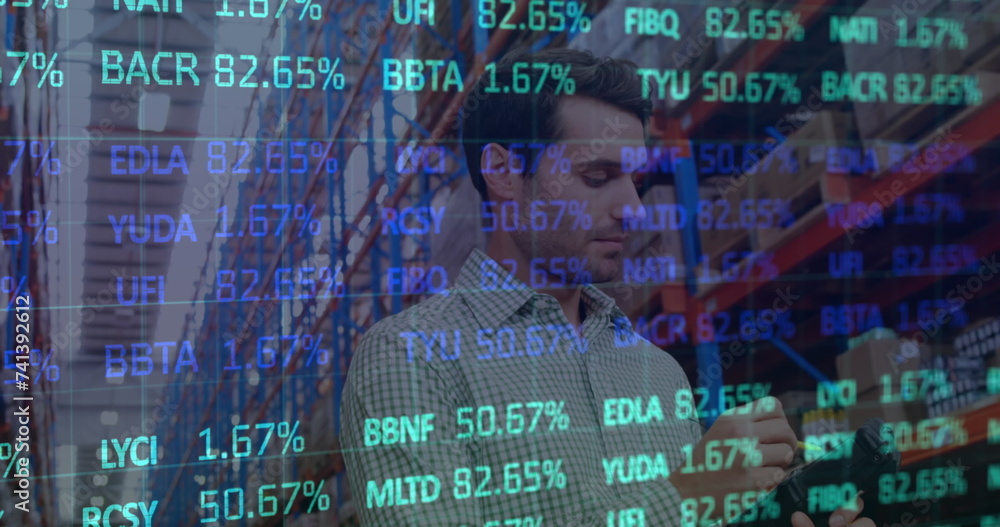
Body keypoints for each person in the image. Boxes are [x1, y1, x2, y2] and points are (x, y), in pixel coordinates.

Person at [340, 47, 874, 527]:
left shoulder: (656, 372)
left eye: (636, 182)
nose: (633, 208)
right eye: (597, 177)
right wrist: (689, 495)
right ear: (502, 170)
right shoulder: (408, 361)